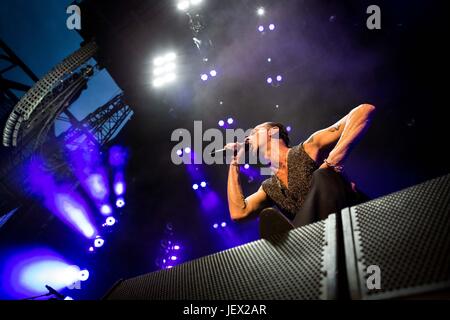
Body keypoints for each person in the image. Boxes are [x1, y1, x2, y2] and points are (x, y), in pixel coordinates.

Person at [225, 104, 376, 237]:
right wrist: (234, 163)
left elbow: (364, 110)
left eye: (254, 132)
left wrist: (332, 162)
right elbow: (239, 213)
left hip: (351, 218)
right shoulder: (269, 187)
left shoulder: (308, 148)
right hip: (320, 237)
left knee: (321, 175)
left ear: (273, 132)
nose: (248, 138)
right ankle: (295, 237)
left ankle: (292, 238)